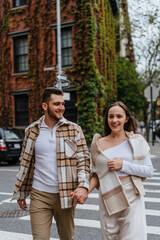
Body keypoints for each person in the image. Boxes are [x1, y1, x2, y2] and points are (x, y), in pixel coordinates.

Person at [11, 88, 90, 240]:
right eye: (56, 104)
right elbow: (25, 163)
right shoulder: (32, 131)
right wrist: (20, 191)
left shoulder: (74, 130)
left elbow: (84, 161)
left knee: (66, 237)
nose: (61, 107)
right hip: (39, 194)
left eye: (62, 103)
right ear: (45, 106)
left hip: (66, 194)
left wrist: (83, 186)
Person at [85, 101, 153, 239]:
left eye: (119, 116)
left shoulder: (137, 141)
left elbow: (148, 171)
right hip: (108, 195)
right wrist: (84, 191)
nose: (114, 120)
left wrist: (123, 165)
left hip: (132, 194)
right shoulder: (98, 144)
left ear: (126, 118)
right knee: (110, 235)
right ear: (107, 119)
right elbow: (96, 175)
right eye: (111, 116)